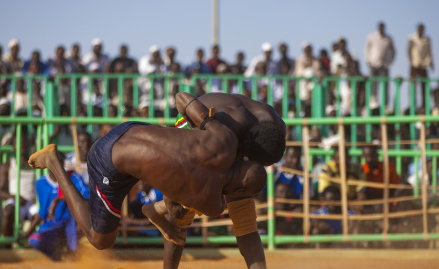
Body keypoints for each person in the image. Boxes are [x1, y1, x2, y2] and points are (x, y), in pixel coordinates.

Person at [27, 99, 283, 258]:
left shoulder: (224, 138)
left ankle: (157, 210)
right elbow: (190, 203)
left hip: (134, 128)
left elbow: (181, 96)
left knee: (181, 186)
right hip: (110, 160)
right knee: (99, 240)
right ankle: (54, 164)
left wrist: (202, 122)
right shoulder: (212, 202)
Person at [145, 91, 287, 269]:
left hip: (227, 134)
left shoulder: (277, 125)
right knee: (181, 214)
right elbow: (180, 97)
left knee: (244, 216)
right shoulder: (221, 132)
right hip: (194, 127)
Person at [19, 151, 89, 261]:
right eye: (52, 164)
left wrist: (58, 199)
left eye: (58, 163)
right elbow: (42, 210)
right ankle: (56, 254)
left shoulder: (73, 177)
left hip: (71, 223)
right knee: (35, 240)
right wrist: (28, 233)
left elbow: (85, 195)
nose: (56, 167)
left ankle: (72, 251)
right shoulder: (40, 182)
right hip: (52, 225)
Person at [364, 22, 396, 108]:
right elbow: (367, 49)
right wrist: (369, 61)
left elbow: (393, 51)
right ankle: (373, 102)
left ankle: (385, 104)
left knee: (385, 85)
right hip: (373, 64)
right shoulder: (371, 37)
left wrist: (389, 62)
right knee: (373, 84)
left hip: (384, 66)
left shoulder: (388, 38)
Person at [407, 23, 434, 109]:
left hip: (424, 65)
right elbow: (408, 51)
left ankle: (424, 104)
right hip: (414, 65)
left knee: (424, 86)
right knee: (413, 86)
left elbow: (430, 52)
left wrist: (431, 63)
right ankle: (412, 104)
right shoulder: (412, 38)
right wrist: (411, 62)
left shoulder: (427, 39)